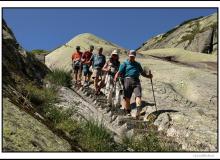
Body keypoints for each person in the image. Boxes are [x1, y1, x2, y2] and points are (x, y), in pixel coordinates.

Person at [114, 50, 153, 117]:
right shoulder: (124, 63)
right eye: (131, 56)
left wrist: (148, 76)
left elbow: (142, 73)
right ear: (128, 55)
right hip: (127, 80)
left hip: (136, 80)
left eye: (133, 56)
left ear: (135, 56)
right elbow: (119, 72)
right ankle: (128, 111)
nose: (131, 57)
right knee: (127, 97)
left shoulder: (138, 64)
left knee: (138, 95)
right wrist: (115, 77)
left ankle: (138, 109)